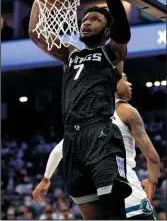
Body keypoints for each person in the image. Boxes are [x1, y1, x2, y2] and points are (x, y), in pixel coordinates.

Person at [29, 0, 132, 219]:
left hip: (101, 135)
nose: (86, 22)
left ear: (107, 31)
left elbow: (123, 32)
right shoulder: (71, 54)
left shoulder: (111, 53)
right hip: (72, 140)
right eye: (85, 19)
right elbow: (36, 33)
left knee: (114, 213)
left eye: (95, 19)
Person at [32, 73, 160, 220]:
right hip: (128, 196)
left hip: (97, 200)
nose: (130, 83)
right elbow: (153, 157)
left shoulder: (84, 119)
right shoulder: (126, 111)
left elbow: (57, 152)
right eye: (125, 79)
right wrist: (152, 181)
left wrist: (46, 179)